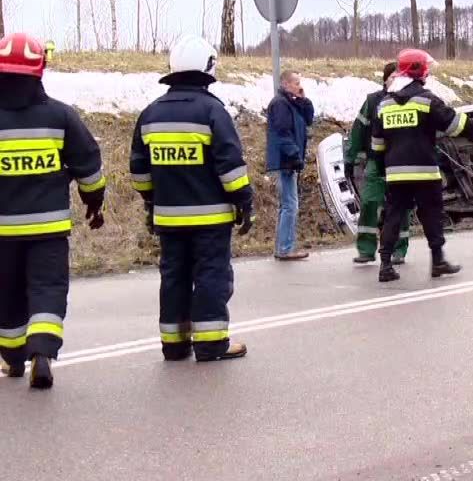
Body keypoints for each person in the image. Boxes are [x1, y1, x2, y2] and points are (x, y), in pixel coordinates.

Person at [129, 36, 254, 362]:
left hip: (168, 218)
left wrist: (151, 202)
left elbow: (139, 170)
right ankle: (212, 343)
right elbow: (230, 166)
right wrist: (244, 200)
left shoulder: (151, 114)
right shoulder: (213, 111)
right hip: (210, 219)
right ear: (208, 68)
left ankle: (174, 344)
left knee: (174, 277)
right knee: (211, 275)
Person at [0, 32, 105, 389]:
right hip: (48, 229)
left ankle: (13, 359)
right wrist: (94, 201)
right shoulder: (59, 116)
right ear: (38, 70)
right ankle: (42, 354)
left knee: (6, 293)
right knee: (47, 288)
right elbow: (88, 165)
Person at [371, 49, 473, 283]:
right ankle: (438, 261)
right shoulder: (426, 99)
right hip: (424, 171)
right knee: (432, 216)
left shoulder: (384, 104)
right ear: (418, 70)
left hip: (395, 174)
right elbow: (454, 125)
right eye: (425, 67)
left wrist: (385, 165)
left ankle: (385, 265)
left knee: (393, 216)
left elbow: (377, 144)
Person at [345, 62, 410, 265]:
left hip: (400, 162)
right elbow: (358, 130)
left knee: (401, 207)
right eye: (393, 77)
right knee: (369, 203)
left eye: (400, 77)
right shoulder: (372, 101)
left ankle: (399, 250)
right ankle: (366, 249)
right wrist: (350, 158)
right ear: (385, 79)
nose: (396, 80)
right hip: (376, 162)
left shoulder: (409, 100)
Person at [266, 70, 315, 261]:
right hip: (286, 160)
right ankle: (285, 248)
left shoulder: (293, 103)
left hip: (290, 160)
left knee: (287, 204)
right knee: (290, 205)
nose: (299, 86)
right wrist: (294, 154)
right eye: (296, 82)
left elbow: (309, 119)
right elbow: (282, 133)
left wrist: (304, 99)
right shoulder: (280, 104)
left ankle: (283, 247)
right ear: (285, 84)